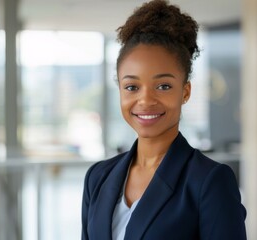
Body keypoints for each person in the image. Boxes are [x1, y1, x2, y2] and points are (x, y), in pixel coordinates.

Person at [81, 0, 247, 239]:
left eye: (163, 85)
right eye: (132, 86)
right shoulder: (97, 177)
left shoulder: (209, 182)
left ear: (186, 91)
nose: (145, 100)